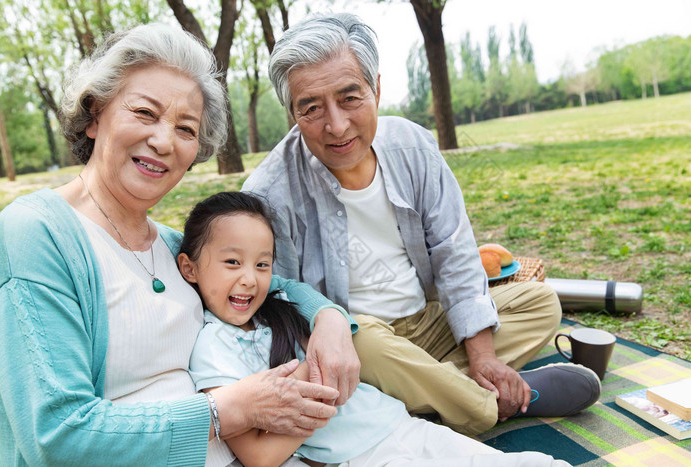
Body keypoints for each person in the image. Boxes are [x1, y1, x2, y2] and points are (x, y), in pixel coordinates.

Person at [0, 23, 360, 466]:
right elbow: (56, 436)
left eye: (186, 129)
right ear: (94, 116)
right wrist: (227, 411)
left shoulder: (172, 246)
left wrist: (331, 320)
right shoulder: (36, 233)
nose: (164, 141)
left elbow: (278, 286)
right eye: (145, 113)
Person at [242, 12, 601, 436]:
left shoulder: (412, 145)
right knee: (361, 339)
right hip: (358, 343)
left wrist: (483, 353)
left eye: (350, 98)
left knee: (541, 302)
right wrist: (332, 325)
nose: (336, 125)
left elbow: (454, 248)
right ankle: (486, 405)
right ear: (292, 113)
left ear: (376, 87)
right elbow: (278, 297)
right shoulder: (268, 192)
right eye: (311, 108)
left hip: (428, 322)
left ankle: (419, 397)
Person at [179, 190, 571, 466]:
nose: (250, 279)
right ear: (189, 268)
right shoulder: (212, 346)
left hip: (395, 419)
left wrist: (323, 352)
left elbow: (310, 303)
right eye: (233, 262)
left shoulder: (278, 305)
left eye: (262, 264)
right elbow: (260, 457)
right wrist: (320, 381)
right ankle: (484, 398)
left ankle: (456, 390)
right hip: (357, 456)